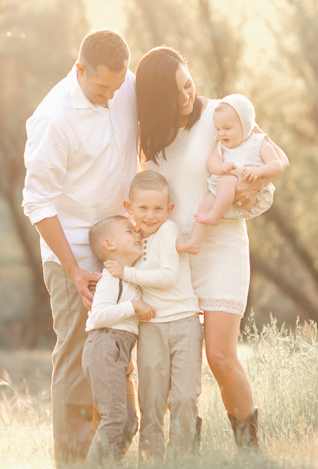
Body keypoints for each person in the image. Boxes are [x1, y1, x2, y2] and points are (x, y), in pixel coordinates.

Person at [135, 46, 289, 450]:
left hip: (220, 249)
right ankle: (189, 448)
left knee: (220, 356)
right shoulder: (149, 135)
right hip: (173, 257)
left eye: (188, 84)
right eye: (175, 93)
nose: (187, 96)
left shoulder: (224, 114)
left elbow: (268, 174)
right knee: (177, 365)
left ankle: (250, 451)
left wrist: (247, 191)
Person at [22, 29, 138, 467]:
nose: (110, 97)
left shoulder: (124, 83)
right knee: (76, 357)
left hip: (120, 248)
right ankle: (71, 462)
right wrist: (73, 269)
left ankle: (108, 457)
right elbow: (37, 201)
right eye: (99, 88)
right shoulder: (54, 119)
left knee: (117, 351)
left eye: (117, 86)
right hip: (71, 255)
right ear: (79, 70)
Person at [104, 170, 203, 462]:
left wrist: (127, 272)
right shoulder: (132, 242)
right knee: (152, 398)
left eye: (158, 208)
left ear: (169, 210)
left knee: (184, 396)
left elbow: (168, 276)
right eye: (143, 208)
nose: (150, 215)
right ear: (129, 208)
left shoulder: (167, 231)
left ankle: (182, 459)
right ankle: (151, 460)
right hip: (150, 328)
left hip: (184, 322)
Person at [82, 215, 154, 468]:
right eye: (129, 231)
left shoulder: (130, 277)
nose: (137, 234)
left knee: (129, 422)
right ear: (109, 244)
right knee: (114, 417)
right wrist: (132, 306)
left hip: (121, 351)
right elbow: (98, 316)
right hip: (105, 345)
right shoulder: (111, 279)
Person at [176, 94, 285, 255]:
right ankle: (194, 243)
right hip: (220, 192)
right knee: (203, 209)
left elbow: (277, 164)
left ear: (245, 125)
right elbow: (211, 161)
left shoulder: (259, 142)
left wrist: (259, 171)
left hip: (249, 192)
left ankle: (214, 215)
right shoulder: (221, 146)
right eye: (218, 129)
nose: (221, 134)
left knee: (227, 181)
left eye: (227, 128)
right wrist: (219, 167)